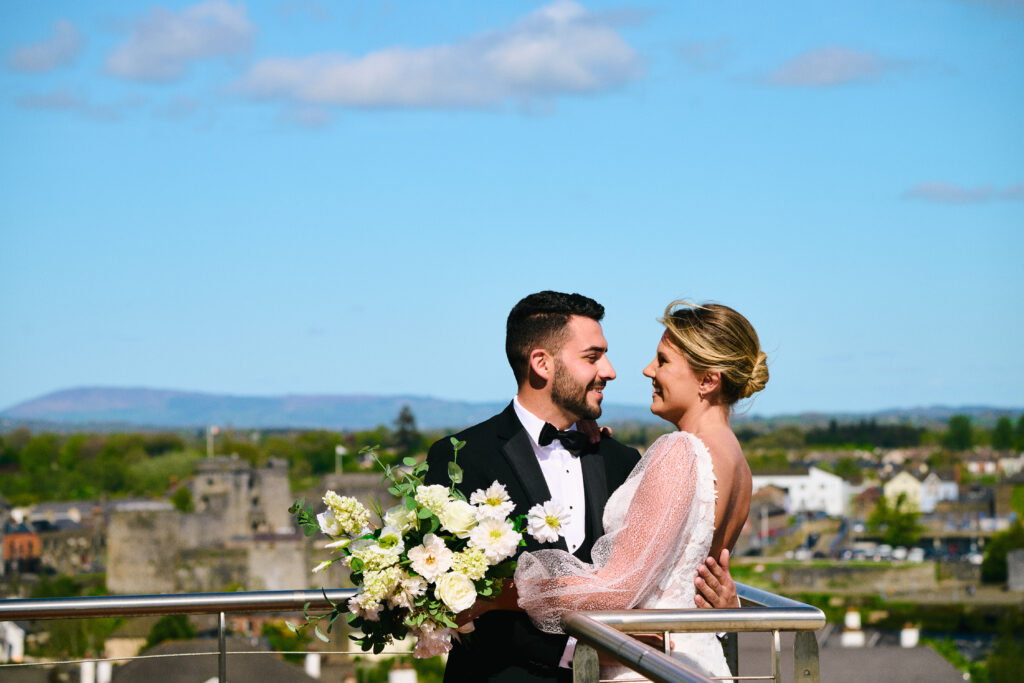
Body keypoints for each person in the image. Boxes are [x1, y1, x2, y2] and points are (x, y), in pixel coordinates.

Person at [425, 292, 739, 683]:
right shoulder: (461, 459)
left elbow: (654, 577)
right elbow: (439, 593)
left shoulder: (622, 460)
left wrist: (716, 609)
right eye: (592, 357)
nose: (610, 370)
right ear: (542, 363)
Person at [507, 300, 768, 680]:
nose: (648, 370)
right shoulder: (737, 463)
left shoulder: (680, 451)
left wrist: (518, 590)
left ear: (707, 380)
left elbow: (617, 588)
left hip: (649, 665)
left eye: (662, 361)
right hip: (698, 658)